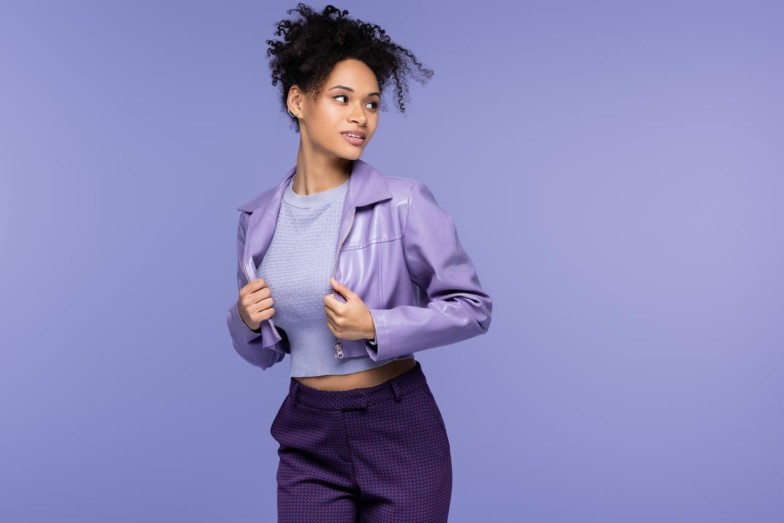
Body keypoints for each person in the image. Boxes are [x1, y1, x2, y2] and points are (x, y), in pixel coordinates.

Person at [225, 4, 492, 521]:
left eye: (371, 104)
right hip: (307, 431)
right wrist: (243, 320)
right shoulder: (257, 218)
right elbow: (264, 354)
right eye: (342, 99)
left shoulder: (405, 202)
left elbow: (474, 307)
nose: (360, 117)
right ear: (298, 101)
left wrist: (377, 325)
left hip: (398, 426)